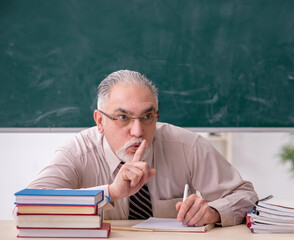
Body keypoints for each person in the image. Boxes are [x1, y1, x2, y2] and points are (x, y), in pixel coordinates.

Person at [28, 70, 258, 227]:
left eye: (147, 116)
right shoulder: (77, 152)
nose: (137, 131)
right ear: (100, 121)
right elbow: (28, 207)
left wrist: (213, 212)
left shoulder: (187, 146)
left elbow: (245, 196)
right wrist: (111, 192)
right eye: (123, 117)